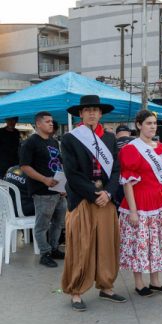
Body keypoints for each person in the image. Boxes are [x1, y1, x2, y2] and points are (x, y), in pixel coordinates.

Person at [60, 95, 124, 311]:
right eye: (87, 110)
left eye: (95, 110)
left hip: (105, 198)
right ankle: (76, 290)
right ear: (80, 113)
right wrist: (94, 193)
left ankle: (106, 287)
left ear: (100, 113)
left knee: (107, 245)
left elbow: (116, 170)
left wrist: (108, 192)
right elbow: (72, 173)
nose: (92, 113)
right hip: (83, 198)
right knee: (81, 245)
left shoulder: (109, 138)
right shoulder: (70, 139)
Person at [118, 110, 162, 296]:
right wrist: (132, 211)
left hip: (159, 202)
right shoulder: (130, 149)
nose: (152, 126)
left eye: (154, 123)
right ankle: (139, 283)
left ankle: (155, 281)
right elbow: (127, 183)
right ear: (139, 125)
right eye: (148, 123)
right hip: (139, 202)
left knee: (156, 242)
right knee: (139, 243)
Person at [19, 111, 66, 268]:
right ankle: (44, 253)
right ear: (38, 124)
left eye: (52, 121)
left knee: (59, 222)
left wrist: (63, 185)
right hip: (42, 191)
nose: (51, 123)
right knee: (42, 225)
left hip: (58, 191)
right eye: (47, 121)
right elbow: (25, 166)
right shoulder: (30, 143)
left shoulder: (53, 142)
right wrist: (44, 179)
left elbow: (59, 164)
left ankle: (53, 248)